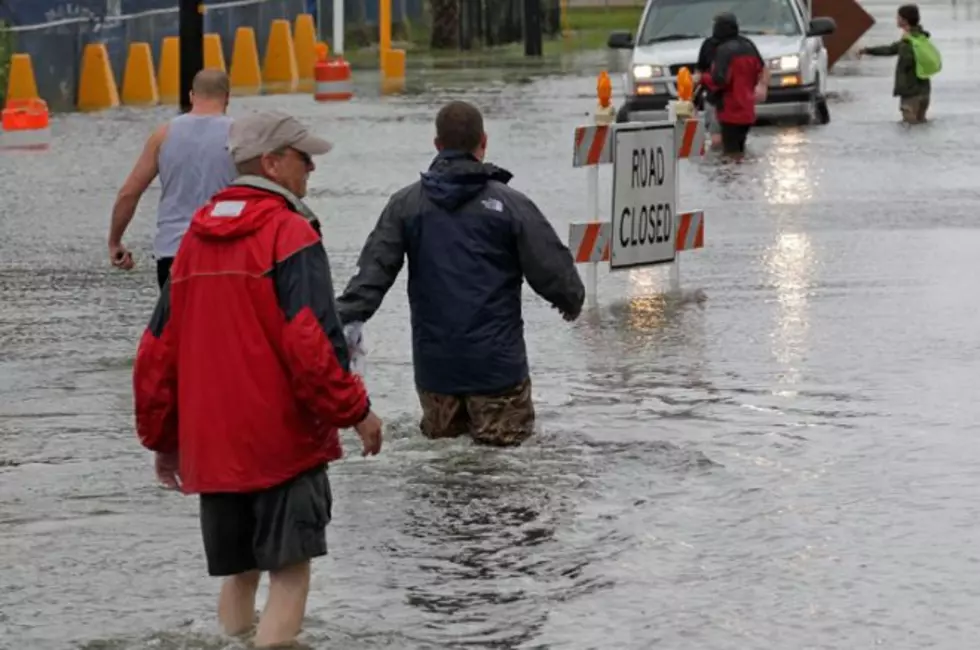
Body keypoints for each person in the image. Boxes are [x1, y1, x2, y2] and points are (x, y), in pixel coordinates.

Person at [133, 110, 384, 648]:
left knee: (239, 570)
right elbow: (312, 345)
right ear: (271, 164)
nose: (311, 167)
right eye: (302, 157)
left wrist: (163, 438)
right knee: (289, 573)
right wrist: (356, 411)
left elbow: (156, 352)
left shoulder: (192, 242)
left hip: (213, 447)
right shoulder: (290, 233)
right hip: (281, 443)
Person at [335, 100, 584, 448]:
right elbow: (553, 269)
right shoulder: (510, 205)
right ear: (484, 142)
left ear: (437, 145)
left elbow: (371, 278)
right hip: (499, 371)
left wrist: (337, 323)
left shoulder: (405, 206)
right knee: (504, 476)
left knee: (444, 476)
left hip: (436, 374)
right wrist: (571, 301)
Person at [108, 69, 237, 289]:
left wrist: (115, 241)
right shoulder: (240, 135)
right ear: (227, 98)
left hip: (173, 252)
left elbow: (129, 192)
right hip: (226, 251)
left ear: (191, 96)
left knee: (177, 322)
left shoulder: (163, 135)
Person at [697, 13, 766, 156]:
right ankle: (742, 175)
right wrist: (761, 86)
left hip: (727, 108)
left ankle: (731, 176)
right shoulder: (748, 46)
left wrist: (702, 78)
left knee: (728, 151)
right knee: (738, 148)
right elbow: (760, 69)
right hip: (746, 109)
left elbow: (720, 81)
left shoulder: (723, 51)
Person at [858, 4, 936, 124]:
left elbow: (904, 59)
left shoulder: (907, 42)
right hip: (924, 92)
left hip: (911, 94)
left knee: (909, 130)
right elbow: (891, 49)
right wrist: (868, 50)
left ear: (904, 20)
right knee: (921, 126)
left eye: (898, 17)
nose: (896, 20)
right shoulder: (920, 37)